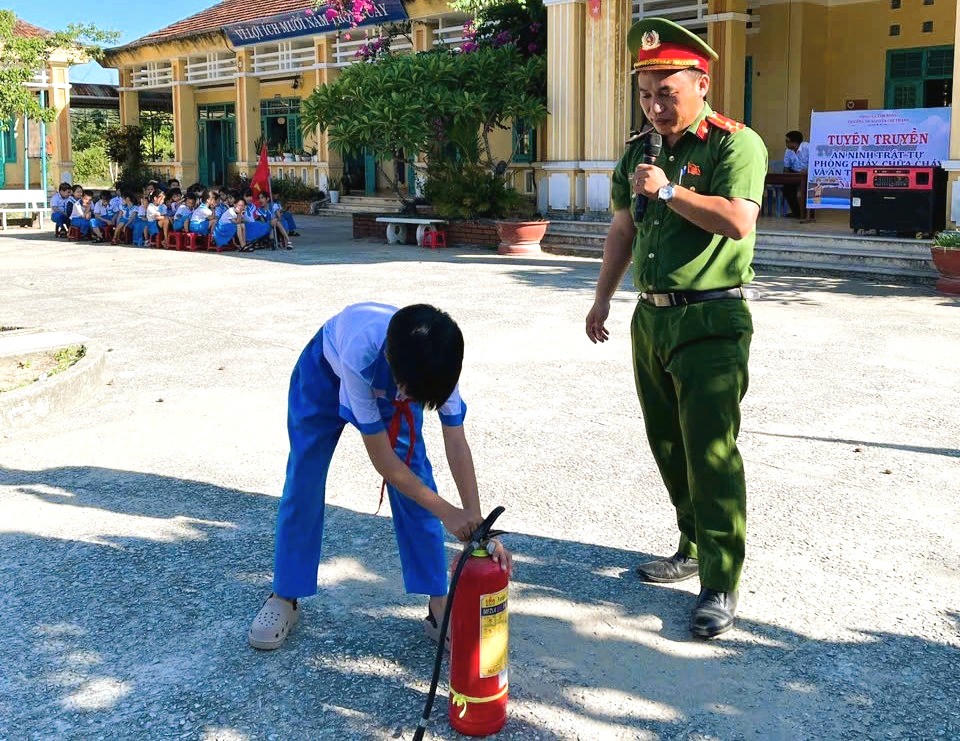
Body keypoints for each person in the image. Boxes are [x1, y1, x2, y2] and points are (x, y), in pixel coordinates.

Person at [585, 18, 766, 638]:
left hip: (711, 317)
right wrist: (602, 299)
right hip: (652, 317)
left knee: (711, 450)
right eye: (645, 94)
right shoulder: (639, 152)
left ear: (701, 84)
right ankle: (692, 545)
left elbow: (738, 221)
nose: (656, 106)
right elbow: (622, 229)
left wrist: (667, 193)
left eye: (668, 93)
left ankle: (720, 578)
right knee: (667, 442)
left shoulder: (734, 145)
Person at [248, 302, 510, 651]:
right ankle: (285, 594)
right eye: (410, 393)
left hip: (398, 378)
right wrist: (448, 512)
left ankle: (438, 604)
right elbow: (385, 463)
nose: (410, 399)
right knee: (304, 481)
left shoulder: (438, 363)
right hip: (322, 375)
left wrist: (476, 525)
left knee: (418, 482)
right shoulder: (360, 353)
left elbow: (456, 442)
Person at [782, 130, 809, 218]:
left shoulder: (807, 148)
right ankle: (797, 212)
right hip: (794, 173)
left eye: (787, 141)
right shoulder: (788, 151)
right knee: (787, 189)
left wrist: (807, 171)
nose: (786, 143)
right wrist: (786, 178)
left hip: (808, 174)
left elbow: (815, 162)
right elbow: (786, 167)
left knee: (807, 191)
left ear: (794, 142)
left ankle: (806, 212)